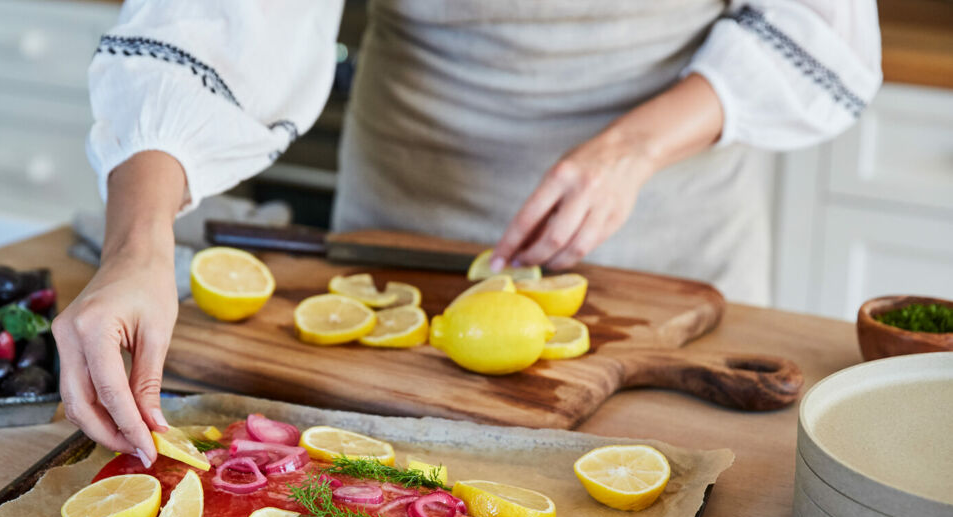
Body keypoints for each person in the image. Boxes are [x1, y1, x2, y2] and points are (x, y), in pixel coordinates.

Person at [53, 1, 881, 465]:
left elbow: (817, 24)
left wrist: (636, 147)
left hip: (674, 208)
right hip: (410, 191)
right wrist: (136, 248)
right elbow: (218, 21)